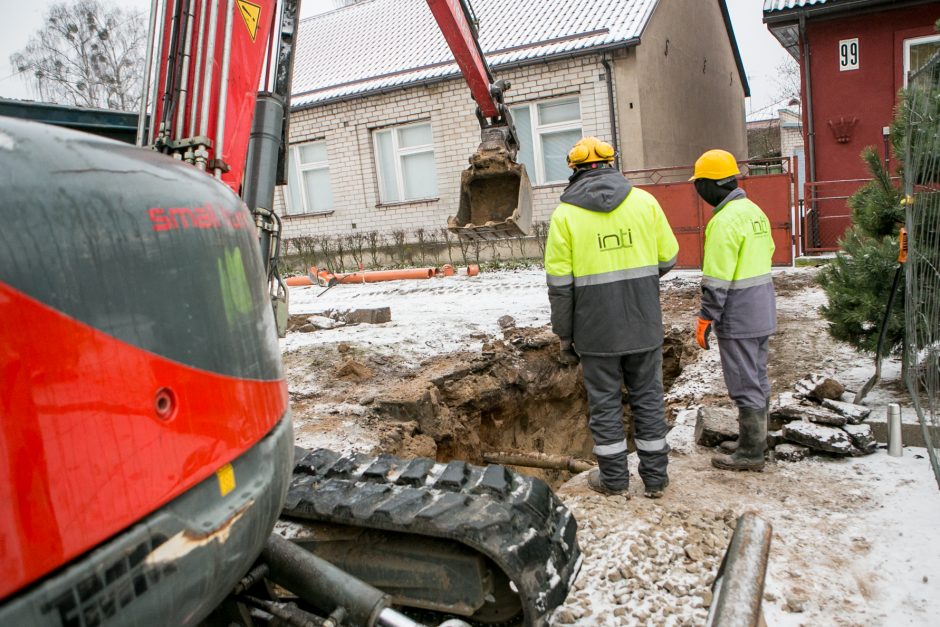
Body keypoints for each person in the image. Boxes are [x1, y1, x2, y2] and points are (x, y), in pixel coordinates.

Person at [545, 137, 679, 498]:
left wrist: (564, 336)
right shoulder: (645, 202)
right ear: (610, 163)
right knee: (648, 398)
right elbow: (668, 257)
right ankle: (655, 479)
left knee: (604, 405)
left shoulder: (565, 215)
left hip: (595, 331)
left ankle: (615, 480)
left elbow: (559, 285)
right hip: (643, 323)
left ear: (573, 171)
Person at [689, 149, 777, 472]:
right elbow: (767, 252)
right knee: (758, 377)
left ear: (710, 185)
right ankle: (755, 441)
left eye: (698, 184)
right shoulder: (755, 212)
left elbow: (717, 279)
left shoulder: (723, 221)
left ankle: (751, 453)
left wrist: (706, 317)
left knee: (743, 382)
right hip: (762, 309)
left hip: (739, 316)